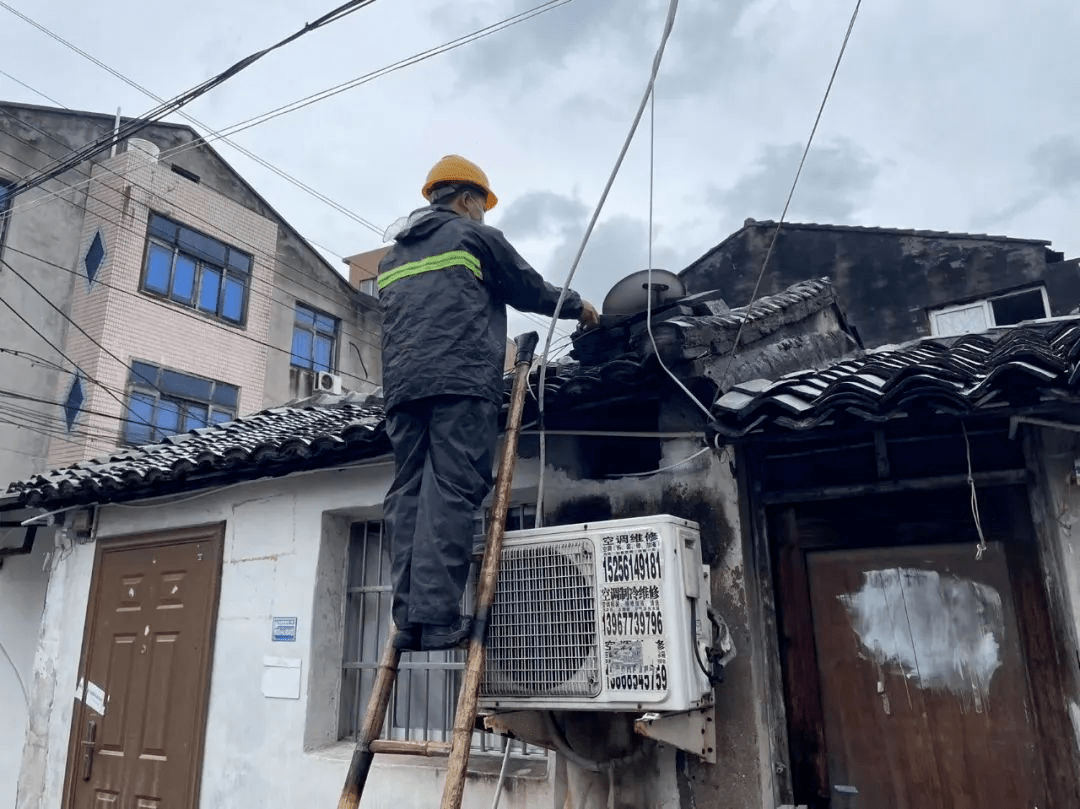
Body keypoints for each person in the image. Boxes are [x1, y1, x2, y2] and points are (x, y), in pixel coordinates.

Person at [378, 155, 599, 651]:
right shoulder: (474, 237)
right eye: (482, 204)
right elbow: (528, 288)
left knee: (407, 493)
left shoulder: (391, 259)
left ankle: (408, 622)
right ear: (466, 199)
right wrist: (579, 307)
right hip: (459, 382)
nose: (483, 213)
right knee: (451, 489)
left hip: (402, 390)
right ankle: (436, 620)